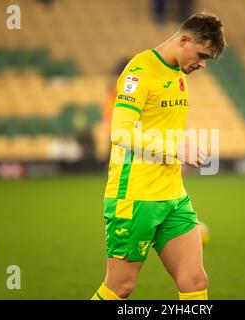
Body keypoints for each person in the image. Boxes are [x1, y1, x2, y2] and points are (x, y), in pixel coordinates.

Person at [91, 10, 226, 300]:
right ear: (185, 39)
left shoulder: (179, 73)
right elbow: (120, 133)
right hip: (135, 196)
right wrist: (174, 149)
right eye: (202, 55)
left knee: (194, 280)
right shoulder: (139, 72)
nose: (202, 64)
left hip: (173, 195)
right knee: (121, 287)